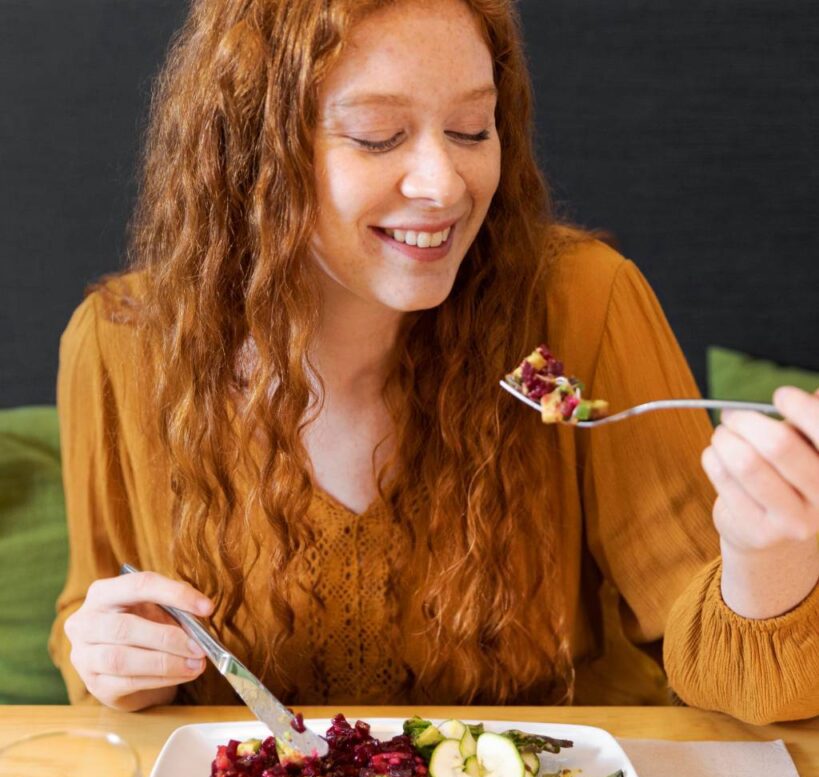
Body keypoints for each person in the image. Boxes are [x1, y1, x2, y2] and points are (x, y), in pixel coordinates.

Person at [49, 0, 818, 722]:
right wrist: (113, 660)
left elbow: (734, 684)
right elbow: (98, 612)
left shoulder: (580, 305)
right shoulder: (123, 343)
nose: (444, 184)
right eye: (378, 136)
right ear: (248, 151)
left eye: (471, 129)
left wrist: (771, 560)